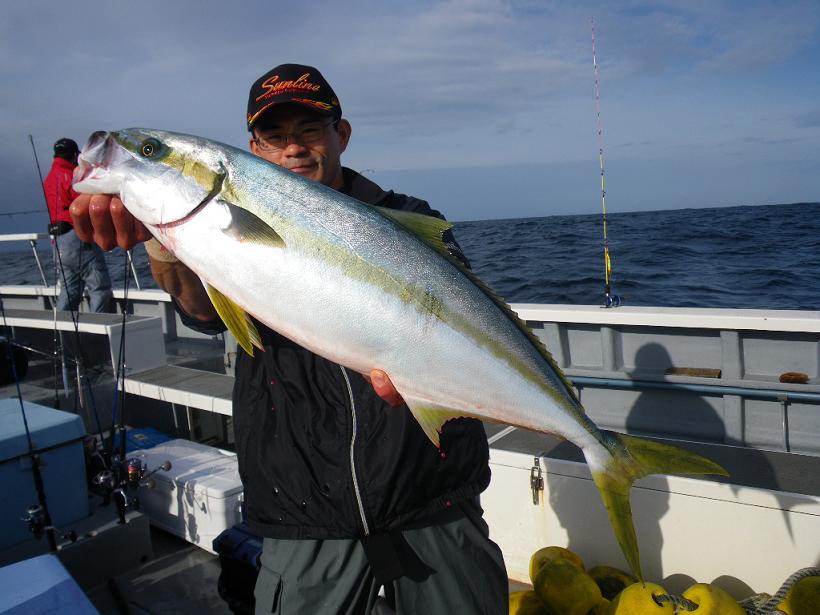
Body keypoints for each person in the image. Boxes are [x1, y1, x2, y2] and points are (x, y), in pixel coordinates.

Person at [71, 64, 508, 614]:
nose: (294, 148)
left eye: (310, 130)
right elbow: (203, 312)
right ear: (254, 148)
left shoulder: (409, 218)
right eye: (275, 136)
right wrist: (160, 240)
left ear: (341, 135)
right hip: (303, 507)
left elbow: (462, 324)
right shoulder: (215, 225)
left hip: (431, 494)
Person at [44, 137, 113, 313]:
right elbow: (82, 207)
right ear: (75, 155)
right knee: (99, 287)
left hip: (58, 242)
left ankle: (62, 326)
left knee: (69, 290)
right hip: (77, 238)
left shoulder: (49, 179)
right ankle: (98, 326)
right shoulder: (72, 176)